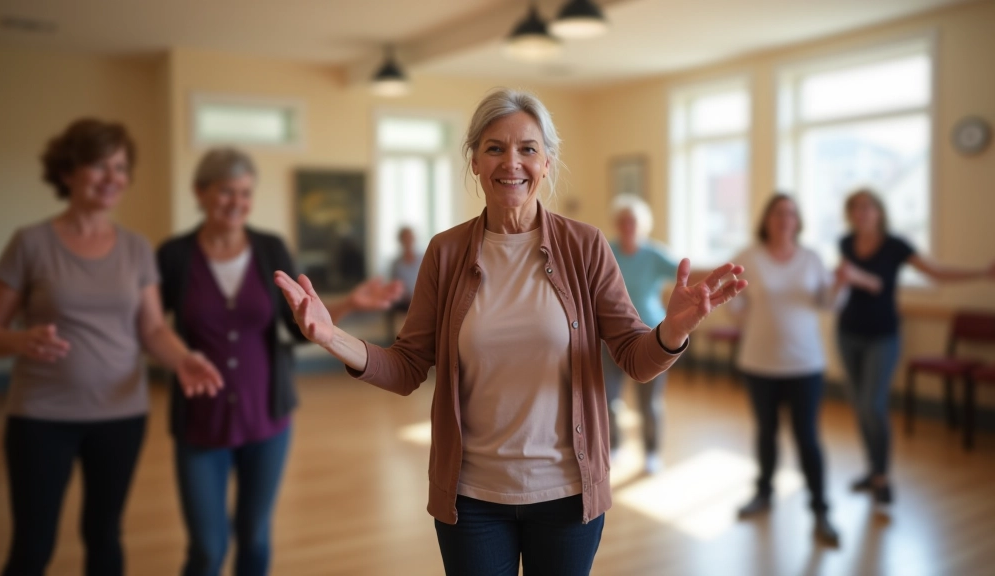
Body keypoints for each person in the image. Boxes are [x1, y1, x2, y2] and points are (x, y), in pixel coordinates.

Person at [273, 88, 747, 576]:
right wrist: (332, 337)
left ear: (547, 161)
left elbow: (633, 356)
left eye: (527, 148)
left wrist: (672, 329)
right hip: (472, 499)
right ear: (475, 161)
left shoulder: (585, 247)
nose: (511, 163)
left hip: (568, 496)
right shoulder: (446, 252)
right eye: (495, 148)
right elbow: (408, 366)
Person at [0, 118, 222, 576]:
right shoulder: (30, 243)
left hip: (120, 415)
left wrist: (184, 358)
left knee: (104, 536)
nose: (113, 178)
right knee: (33, 546)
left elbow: (151, 329)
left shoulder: (136, 248)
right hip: (41, 416)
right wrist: (18, 340)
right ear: (67, 172)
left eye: (121, 167)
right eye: (99, 165)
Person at [157, 147, 401, 576]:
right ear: (200, 192)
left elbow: (296, 328)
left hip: (266, 420)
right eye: (226, 191)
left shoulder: (270, 249)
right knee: (207, 550)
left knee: (254, 537)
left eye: (245, 193)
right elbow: (150, 326)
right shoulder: (175, 255)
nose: (237, 202)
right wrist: (175, 358)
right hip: (199, 421)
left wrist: (347, 304)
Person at [837, 188, 995, 511]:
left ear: (879, 212)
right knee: (859, 405)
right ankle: (871, 469)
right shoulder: (845, 243)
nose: (861, 213)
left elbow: (935, 273)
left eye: (867, 207)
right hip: (848, 332)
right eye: (855, 208)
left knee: (873, 405)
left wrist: (981, 272)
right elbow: (843, 280)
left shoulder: (896, 245)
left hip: (883, 336)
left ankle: (882, 477)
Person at [730, 194, 865, 547]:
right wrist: (733, 301)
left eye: (791, 213)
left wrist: (841, 284)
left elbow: (828, 303)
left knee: (807, 438)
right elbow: (737, 307)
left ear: (798, 220)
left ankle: (821, 511)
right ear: (767, 219)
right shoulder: (749, 256)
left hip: (805, 365)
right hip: (759, 362)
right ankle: (763, 493)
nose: (784, 219)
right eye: (778, 213)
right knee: (766, 432)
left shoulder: (811, 258)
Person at [602, 195, 677, 474]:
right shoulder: (606, 250)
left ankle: (652, 452)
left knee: (650, 402)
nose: (627, 226)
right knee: (609, 399)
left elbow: (684, 275)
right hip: (609, 337)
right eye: (623, 221)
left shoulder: (655, 254)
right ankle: (614, 446)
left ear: (642, 225)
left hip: (650, 336)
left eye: (632, 221)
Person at [387, 226, 423, 340]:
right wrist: (406, 295)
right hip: (405, 299)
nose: (408, 241)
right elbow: (396, 285)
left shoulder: (423, 259)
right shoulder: (396, 263)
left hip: (422, 296)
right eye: (405, 238)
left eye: (410, 237)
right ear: (401, 241)